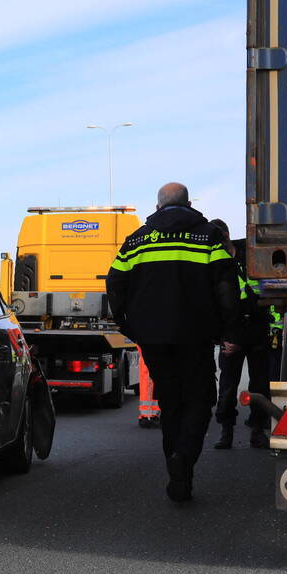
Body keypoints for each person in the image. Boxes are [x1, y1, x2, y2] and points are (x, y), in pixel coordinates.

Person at [106, 182, 239, 502]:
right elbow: (227, 287)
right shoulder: (208, 236)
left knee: (170, 403)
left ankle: (178, 470)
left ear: (157, 207)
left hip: (153, 337)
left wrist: (129, 325)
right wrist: (229, 331)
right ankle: (183, 460)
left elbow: (114, 282)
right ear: (189, 203)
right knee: (199, 398)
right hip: (196, 335)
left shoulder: (137, 239)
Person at [208, 220, 271, 450]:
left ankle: (258, 430)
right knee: (227, 387)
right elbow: (213, 306)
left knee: (260, 385)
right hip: (230, 334)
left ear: (225, 234)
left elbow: (265, 289)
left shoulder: (249, 254)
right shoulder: (213, 263)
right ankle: (226, 432)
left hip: (256, 329)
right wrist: (221, 338)